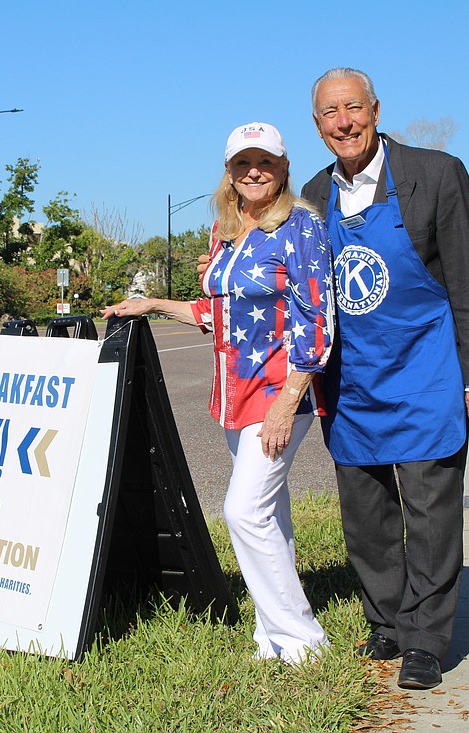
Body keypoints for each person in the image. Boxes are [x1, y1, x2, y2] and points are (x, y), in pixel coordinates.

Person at [299, 68, 469, 690]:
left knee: (432, 515)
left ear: (376, 109)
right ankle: (386, 620)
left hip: (427, 375)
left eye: (353, 108)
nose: (344, 122)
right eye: (330, 114)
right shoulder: (311, 194)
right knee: (366, 518)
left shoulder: (436, 175)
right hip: (353, 387)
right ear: (318, 126)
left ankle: (424, 640)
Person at [103, 122, 334, 665]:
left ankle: (302, 637)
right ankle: (271, 637)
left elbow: (317, 318)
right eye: (241, 163)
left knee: (243, 511)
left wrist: (288, 401)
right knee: (268, 513)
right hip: (233, 394)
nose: (253, 172)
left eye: (265, 162)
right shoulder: (224, 231)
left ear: (283, 167)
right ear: (228, 173)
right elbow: (216, 312)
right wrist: (154, 304)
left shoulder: (302, 226)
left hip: (280, 392)